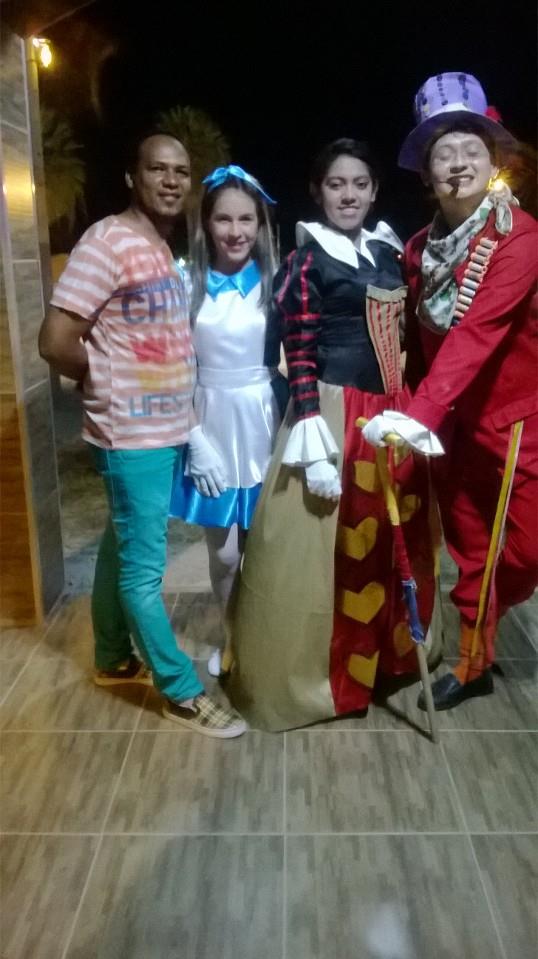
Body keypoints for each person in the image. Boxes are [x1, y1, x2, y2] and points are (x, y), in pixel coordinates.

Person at [38, 132, 246, 738]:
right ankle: (180, 690)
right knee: (143, 571)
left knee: (121, 541)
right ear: (133, 176)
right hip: (131, 434)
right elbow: (55, 341)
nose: (172, 180)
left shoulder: (156, 245)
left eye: (181, 170)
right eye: (158, 168)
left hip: (159, 430)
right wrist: (105, 378)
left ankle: (111, 657)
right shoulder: (107, 241)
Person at [227, 138, 436, 731]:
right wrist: (310, 428)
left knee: (392, 540)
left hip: (390, 413)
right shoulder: (307, 259)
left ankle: (388, 659)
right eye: (337, 184)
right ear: (318, 191)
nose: (349, 195)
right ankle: (323, 676)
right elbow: (297, 351)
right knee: (324, 551)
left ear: (374, 191)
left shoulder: (388, 251)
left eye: (360, 184)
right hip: (334, 413)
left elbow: (408, 336)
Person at [363, 73, 538, 711]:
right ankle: (472, 662)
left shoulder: (520, 238)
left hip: (515, 427)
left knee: (526, 550)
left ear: (493, 163)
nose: (458, 163)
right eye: (443, 154)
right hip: (449, 431)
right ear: (426, 173)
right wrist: (399, 406)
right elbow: (415, 337)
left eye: (471, 150)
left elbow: (475, 334)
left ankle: (483, 620)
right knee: (469, 550)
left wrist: (417, 416)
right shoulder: (417, 251)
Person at [170, 165, 285, 677]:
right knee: (223, 554)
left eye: (246, 219)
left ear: (260, 224)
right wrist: (194, 437)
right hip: (210, 422)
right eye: (223, 219)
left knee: (265, 548)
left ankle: (262, 642)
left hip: (264, 422)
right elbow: (174, 368)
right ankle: (231, 636)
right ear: (206, 224)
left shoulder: (277, 282)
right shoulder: (186, 284)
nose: (236, 231)